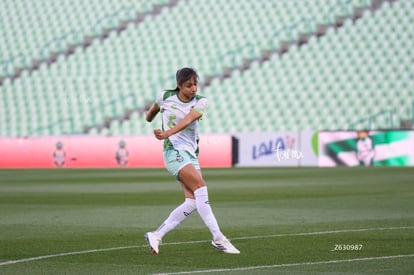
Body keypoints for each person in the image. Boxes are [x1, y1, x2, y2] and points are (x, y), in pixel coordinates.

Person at [144, 67, 240, 255]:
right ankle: (218, 238)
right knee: (201, 188)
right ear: (179, 86)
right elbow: (150, 115)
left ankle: (156, 235)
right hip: (173, 152)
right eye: (189, 85)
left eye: (195, 84)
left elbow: (189, 119)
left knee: (192, 201)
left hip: (191, 154)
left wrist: (166, 132)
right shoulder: (165, 96)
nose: (194, 88)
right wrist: (153, 121)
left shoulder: (201, 102)